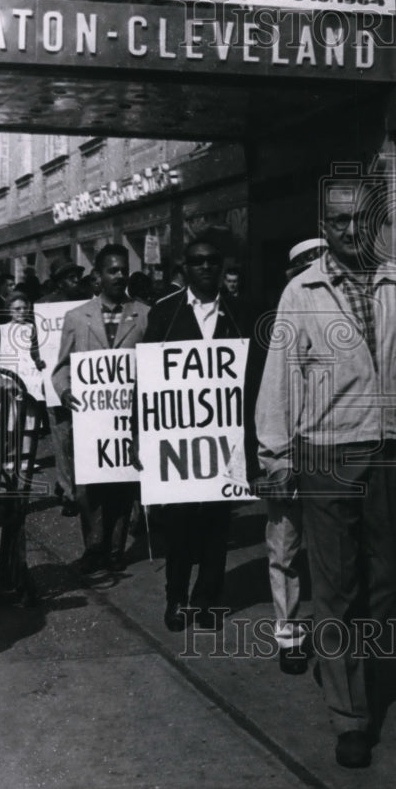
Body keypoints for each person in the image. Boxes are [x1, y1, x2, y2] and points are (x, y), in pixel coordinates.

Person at [254, 176, 396, 768]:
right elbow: (278, 380)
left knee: (390, 573)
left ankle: (351, 659)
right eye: (338, 222)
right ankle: (351, 715)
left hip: (393, 452)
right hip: (326, 455)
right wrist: (275, 459)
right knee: (335, 589)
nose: (351, 231)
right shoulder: (301, 291)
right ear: (323, 226)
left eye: (361, 219)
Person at [137, 229, 254, 633]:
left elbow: (251, 380)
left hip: (225, 440)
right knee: (181, 526)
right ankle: (176, 599)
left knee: (218, 525)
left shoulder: (240, 312)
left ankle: (208, 601)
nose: (206, 267)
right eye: (197, 261)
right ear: (185, 268)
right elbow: (147, 380)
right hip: (177, 444)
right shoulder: (165, 312)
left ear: (222, 267)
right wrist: (143, 438)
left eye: (212, 261)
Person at [248, 238, 328, 676]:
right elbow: (259, 395)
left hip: (332, 453)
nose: (313, 272)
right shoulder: (274, 319)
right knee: (285, 549)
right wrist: (267, 459)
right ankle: (291, 634)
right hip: (285, 452)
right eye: (305, 265)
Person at [52, 244, 150, 573]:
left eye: (123, 269)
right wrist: (65, 393)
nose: (119, 275)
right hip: (90, 418)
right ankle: (94, 548)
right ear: (98, 275)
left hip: (127, 417)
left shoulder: (145, 314)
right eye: (112, 270)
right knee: (88, 489)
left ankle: (115, 550)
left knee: (122, 484)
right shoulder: (76, 317)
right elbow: (61, 367)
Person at [36, 257, 85, 515]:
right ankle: (69, 492)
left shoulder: (89, 303)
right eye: (69, 277)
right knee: (62, 440)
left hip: (86, 383)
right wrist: (38, 356)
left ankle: (84, 488)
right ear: (58, 282)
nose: (75, 281)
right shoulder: (44, 307)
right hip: (57, 384)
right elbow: (35, 343)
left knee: (84, 440)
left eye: (77, 276)